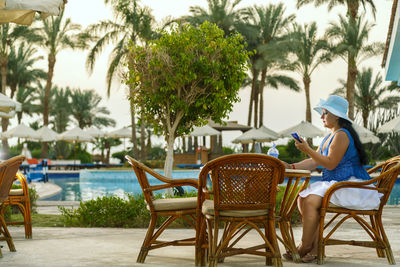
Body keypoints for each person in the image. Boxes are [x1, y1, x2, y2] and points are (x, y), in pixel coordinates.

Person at [281, 95, 382, 263]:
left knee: (311, 200)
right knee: (303, 198)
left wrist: (307, 149)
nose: (321, 117)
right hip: (338, 184)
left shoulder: (342, 135)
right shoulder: (330, 136)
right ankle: (314, 248)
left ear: (337, 116)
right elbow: (314, 161)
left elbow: (330, 163)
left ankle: (304, 247)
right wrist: (291, 167)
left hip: (352, 186)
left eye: (325, 113)